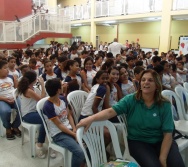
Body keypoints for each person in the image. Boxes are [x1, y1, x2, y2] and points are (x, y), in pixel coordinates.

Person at [77, 69, 185, 167]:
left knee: (177, 164)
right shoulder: (131, 99)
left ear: (157, 84)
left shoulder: (164, 104)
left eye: (150, 80)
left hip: (161, 140)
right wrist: (90, 118)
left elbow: (168, 133)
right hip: (138, 142)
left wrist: (163, 158)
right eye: (143, 80)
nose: (146, 82)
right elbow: (110, 111)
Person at [43, 78, 85, 167]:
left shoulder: (62, 99)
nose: (63, 86)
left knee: (88, 144)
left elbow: (69, 115)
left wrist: (74, 128)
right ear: (58, 90)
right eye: (61, 85)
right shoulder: (48, 106)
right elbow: (59, 125)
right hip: (58, 134)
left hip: (69, 129)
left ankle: (80, 163)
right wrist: (74, 134)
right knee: (79, 152)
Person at [17, 70, 49, 158]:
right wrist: (42, 85)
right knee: (46, 119)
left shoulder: (33, 88)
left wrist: (42, 88)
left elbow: (43, 97)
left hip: (35, 111)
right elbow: (41, 100)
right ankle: (39, 144)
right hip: (28, 115)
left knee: (50, 116)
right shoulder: (28, 90)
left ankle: (48, 141)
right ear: (34, 79)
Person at [0, 60, 21, 140]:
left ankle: (15, 126)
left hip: (14, 97)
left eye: (7, 68)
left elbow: (16, 89)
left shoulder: (10, 77)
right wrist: (5, 99)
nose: (7, 70)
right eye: (5, 68)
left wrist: (15, 96)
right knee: (5, 111)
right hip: (2, 99)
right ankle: (8, 128)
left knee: (22, 108)